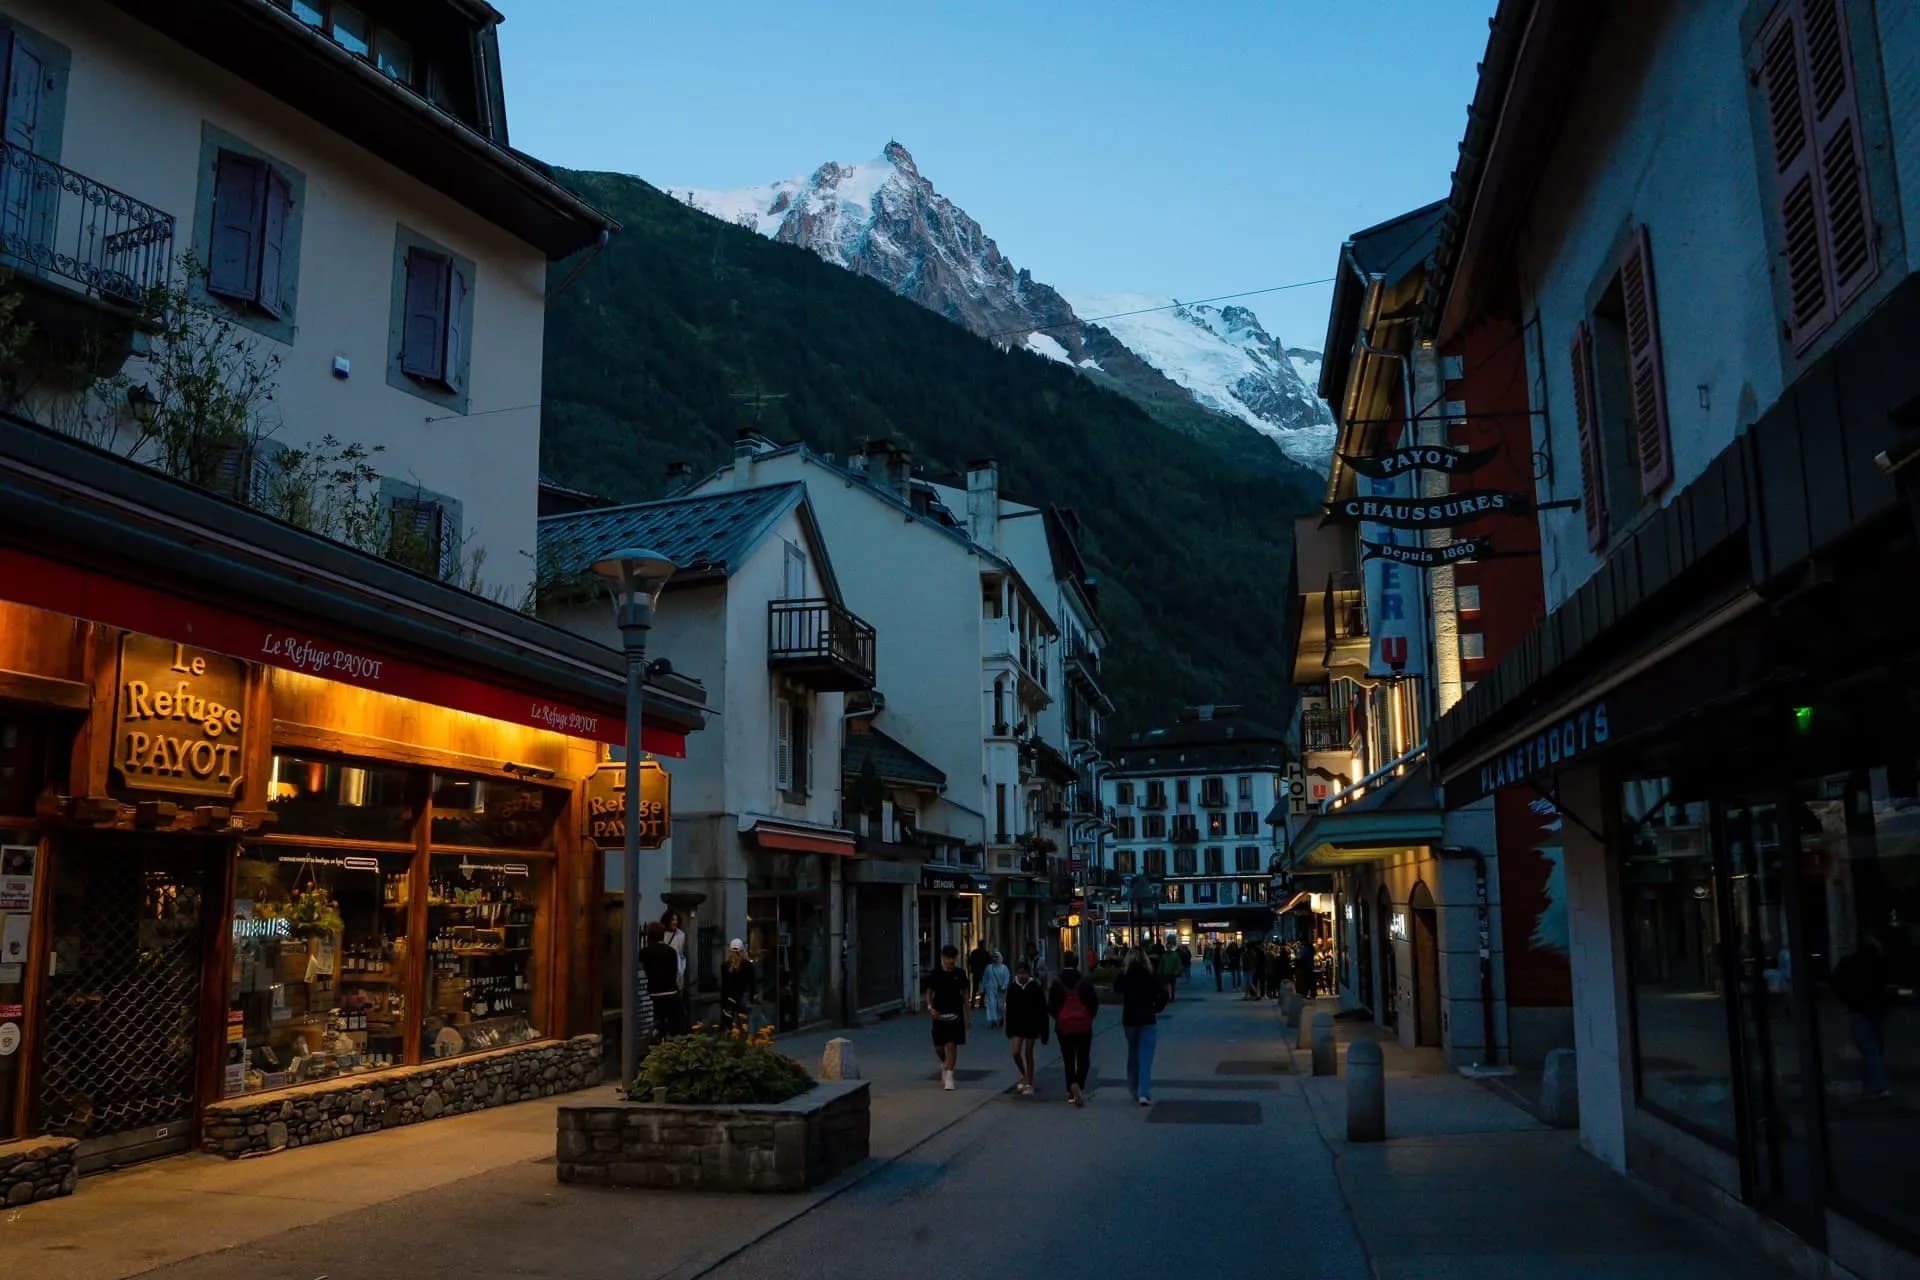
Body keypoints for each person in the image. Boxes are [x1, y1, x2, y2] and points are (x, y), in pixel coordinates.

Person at [1832, 932, 1892, 1098]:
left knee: (1868, 1047)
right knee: (1875, 1047)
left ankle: (1877, 1085)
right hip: (1877, 1009)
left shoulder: (1850, 963)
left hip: (1860, 1009)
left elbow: (1837, 982)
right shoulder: (1879, 962)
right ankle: (1873, 1084)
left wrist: (1848, 1001)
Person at [1113, 948, 1167, 1106]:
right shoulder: (1150, 975)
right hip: (1148, 1019)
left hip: (1129, 1019)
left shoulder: (1125, 975)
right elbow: (1163, 994)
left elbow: (1116, 989)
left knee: (1133, 1053)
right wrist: (1156, 1008)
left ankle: (1133, 1087)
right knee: (1146, 1057)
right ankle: (1144, 1092)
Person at [1049, 949, 1100, 1105]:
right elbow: (1093, 1003)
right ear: (1077, 963)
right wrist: (1088, 1017)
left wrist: (1059, 1018)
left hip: (1064, 1027)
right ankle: (1079, 1084)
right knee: (1083, 1057)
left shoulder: (1057, 982)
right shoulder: (1084, 981)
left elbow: (1050, 1006)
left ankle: (1071, 1090)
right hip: (1083, 1025)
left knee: (1068, 1057)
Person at [925, 944, 971, 1090]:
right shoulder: (935, 974)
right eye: (948, 958)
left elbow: (965, 994)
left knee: (952, 1044)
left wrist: (967, 1015)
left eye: (953, 958)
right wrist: (930, 1007)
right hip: (939, 1013)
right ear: (943, 958)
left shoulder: (960, 973)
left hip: (955, 1013)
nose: (951, 961)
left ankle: (949, 1076)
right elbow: (929, 992)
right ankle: (944, 1062)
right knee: (939, 1046)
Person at [1005, 959, 1050, 1095]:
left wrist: (1043, 1029)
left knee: (1028, 1053)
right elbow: (1009, 1009)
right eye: (1019, 973)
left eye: (1024, 973)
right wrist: (1008, 1026)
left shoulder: (1035, 986)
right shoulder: (1013, 987)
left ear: (1028, 974)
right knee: (1016, 1052)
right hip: (1017, 1024)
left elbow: (1042, 1009)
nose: (1022, 976)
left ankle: (1029, 1082)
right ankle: (1024, 1074)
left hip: (1032, 1024)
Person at [640, 922, 685, 1036]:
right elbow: (676, 972)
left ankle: (658, 1035)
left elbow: (644, 970)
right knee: (675, 1022)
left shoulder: (644, 952)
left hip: (654, 993)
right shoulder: (671, 952)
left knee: (658, 1020)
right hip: (670, 992)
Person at [720, 938, 756, 1031]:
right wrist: (752, 999)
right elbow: (752, 984)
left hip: (729, 998)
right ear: (742, 951)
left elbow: (724, 986)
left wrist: (723, 1004)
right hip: (743, 997)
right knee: (743, 1025)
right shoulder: (748, 965)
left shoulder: (725, 965)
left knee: (729, 1026)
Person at [981, 950, 1011, 1028]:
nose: (995, 958)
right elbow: (985, 978)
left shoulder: (1004, 968)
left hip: (1001, 990)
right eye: (994, 957)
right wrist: (982, 988)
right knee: (991, 1005)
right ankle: (993, 1020)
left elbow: (1007, 978)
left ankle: (1001, 1018)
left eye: (996, 957)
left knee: (1000, 1006)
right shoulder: (989, 967)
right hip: (990, 989)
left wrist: (1004, 986)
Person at [967, 939, 993, 1009]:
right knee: (983, 989)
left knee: (975, 989)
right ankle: (981, 1004)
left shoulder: (974, 952)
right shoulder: (985, 953)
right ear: (983, 945)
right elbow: (990, 962)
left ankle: (972, 1004)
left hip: (976, 972)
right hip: (983, 973)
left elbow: (969, 961)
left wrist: (970, 969)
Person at [1156, 938, 1181, 1003]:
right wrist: (1159, 972)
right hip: (1166, 973)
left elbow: (1178, 964)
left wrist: (1177, 970)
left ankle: (1171, 995)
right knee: (1168, 985)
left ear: (1171, 947)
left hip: (1172, 973)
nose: (1168, 948)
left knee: (1172, 985)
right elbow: (1161, 964)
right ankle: (1169, 997)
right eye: (1167, 947)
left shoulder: (1175, 955)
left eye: (1169, 947)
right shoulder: (1164, 956)